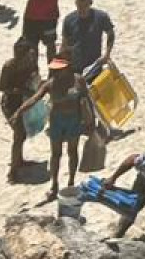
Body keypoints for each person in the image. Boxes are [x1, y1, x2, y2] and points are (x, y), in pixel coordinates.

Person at [17, 57, 92, 200]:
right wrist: (20, 111)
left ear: (67, 68)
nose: (55, 73)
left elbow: (87, 101)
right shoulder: (50, 84)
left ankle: (71, 181)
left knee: (72, 152)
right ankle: (55, 185)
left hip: (74, 120)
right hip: (57, 120)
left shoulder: (78, 81)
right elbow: (35, 98)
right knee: (55, 154)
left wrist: (90, 122)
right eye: (53, 70)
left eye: (58, 70)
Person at [0, 37, 42, 182]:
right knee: (18, 135)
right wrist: (22, 90)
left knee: (22, 135)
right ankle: (13, 172)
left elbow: (36, 77)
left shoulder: (31, 63)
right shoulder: (9, 66)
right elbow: (2, 88)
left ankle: (19, 161)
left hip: (25, 101)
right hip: (10, 104)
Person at [60, 0, 115, 80]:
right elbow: (64, 43)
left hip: (94, 66)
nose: (81, 9)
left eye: (84, 6)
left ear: (90, 3)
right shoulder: (69, 19)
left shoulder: (101, 17)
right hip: (75, 65)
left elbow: (110, 34)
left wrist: (107, 54)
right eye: (79, 6)